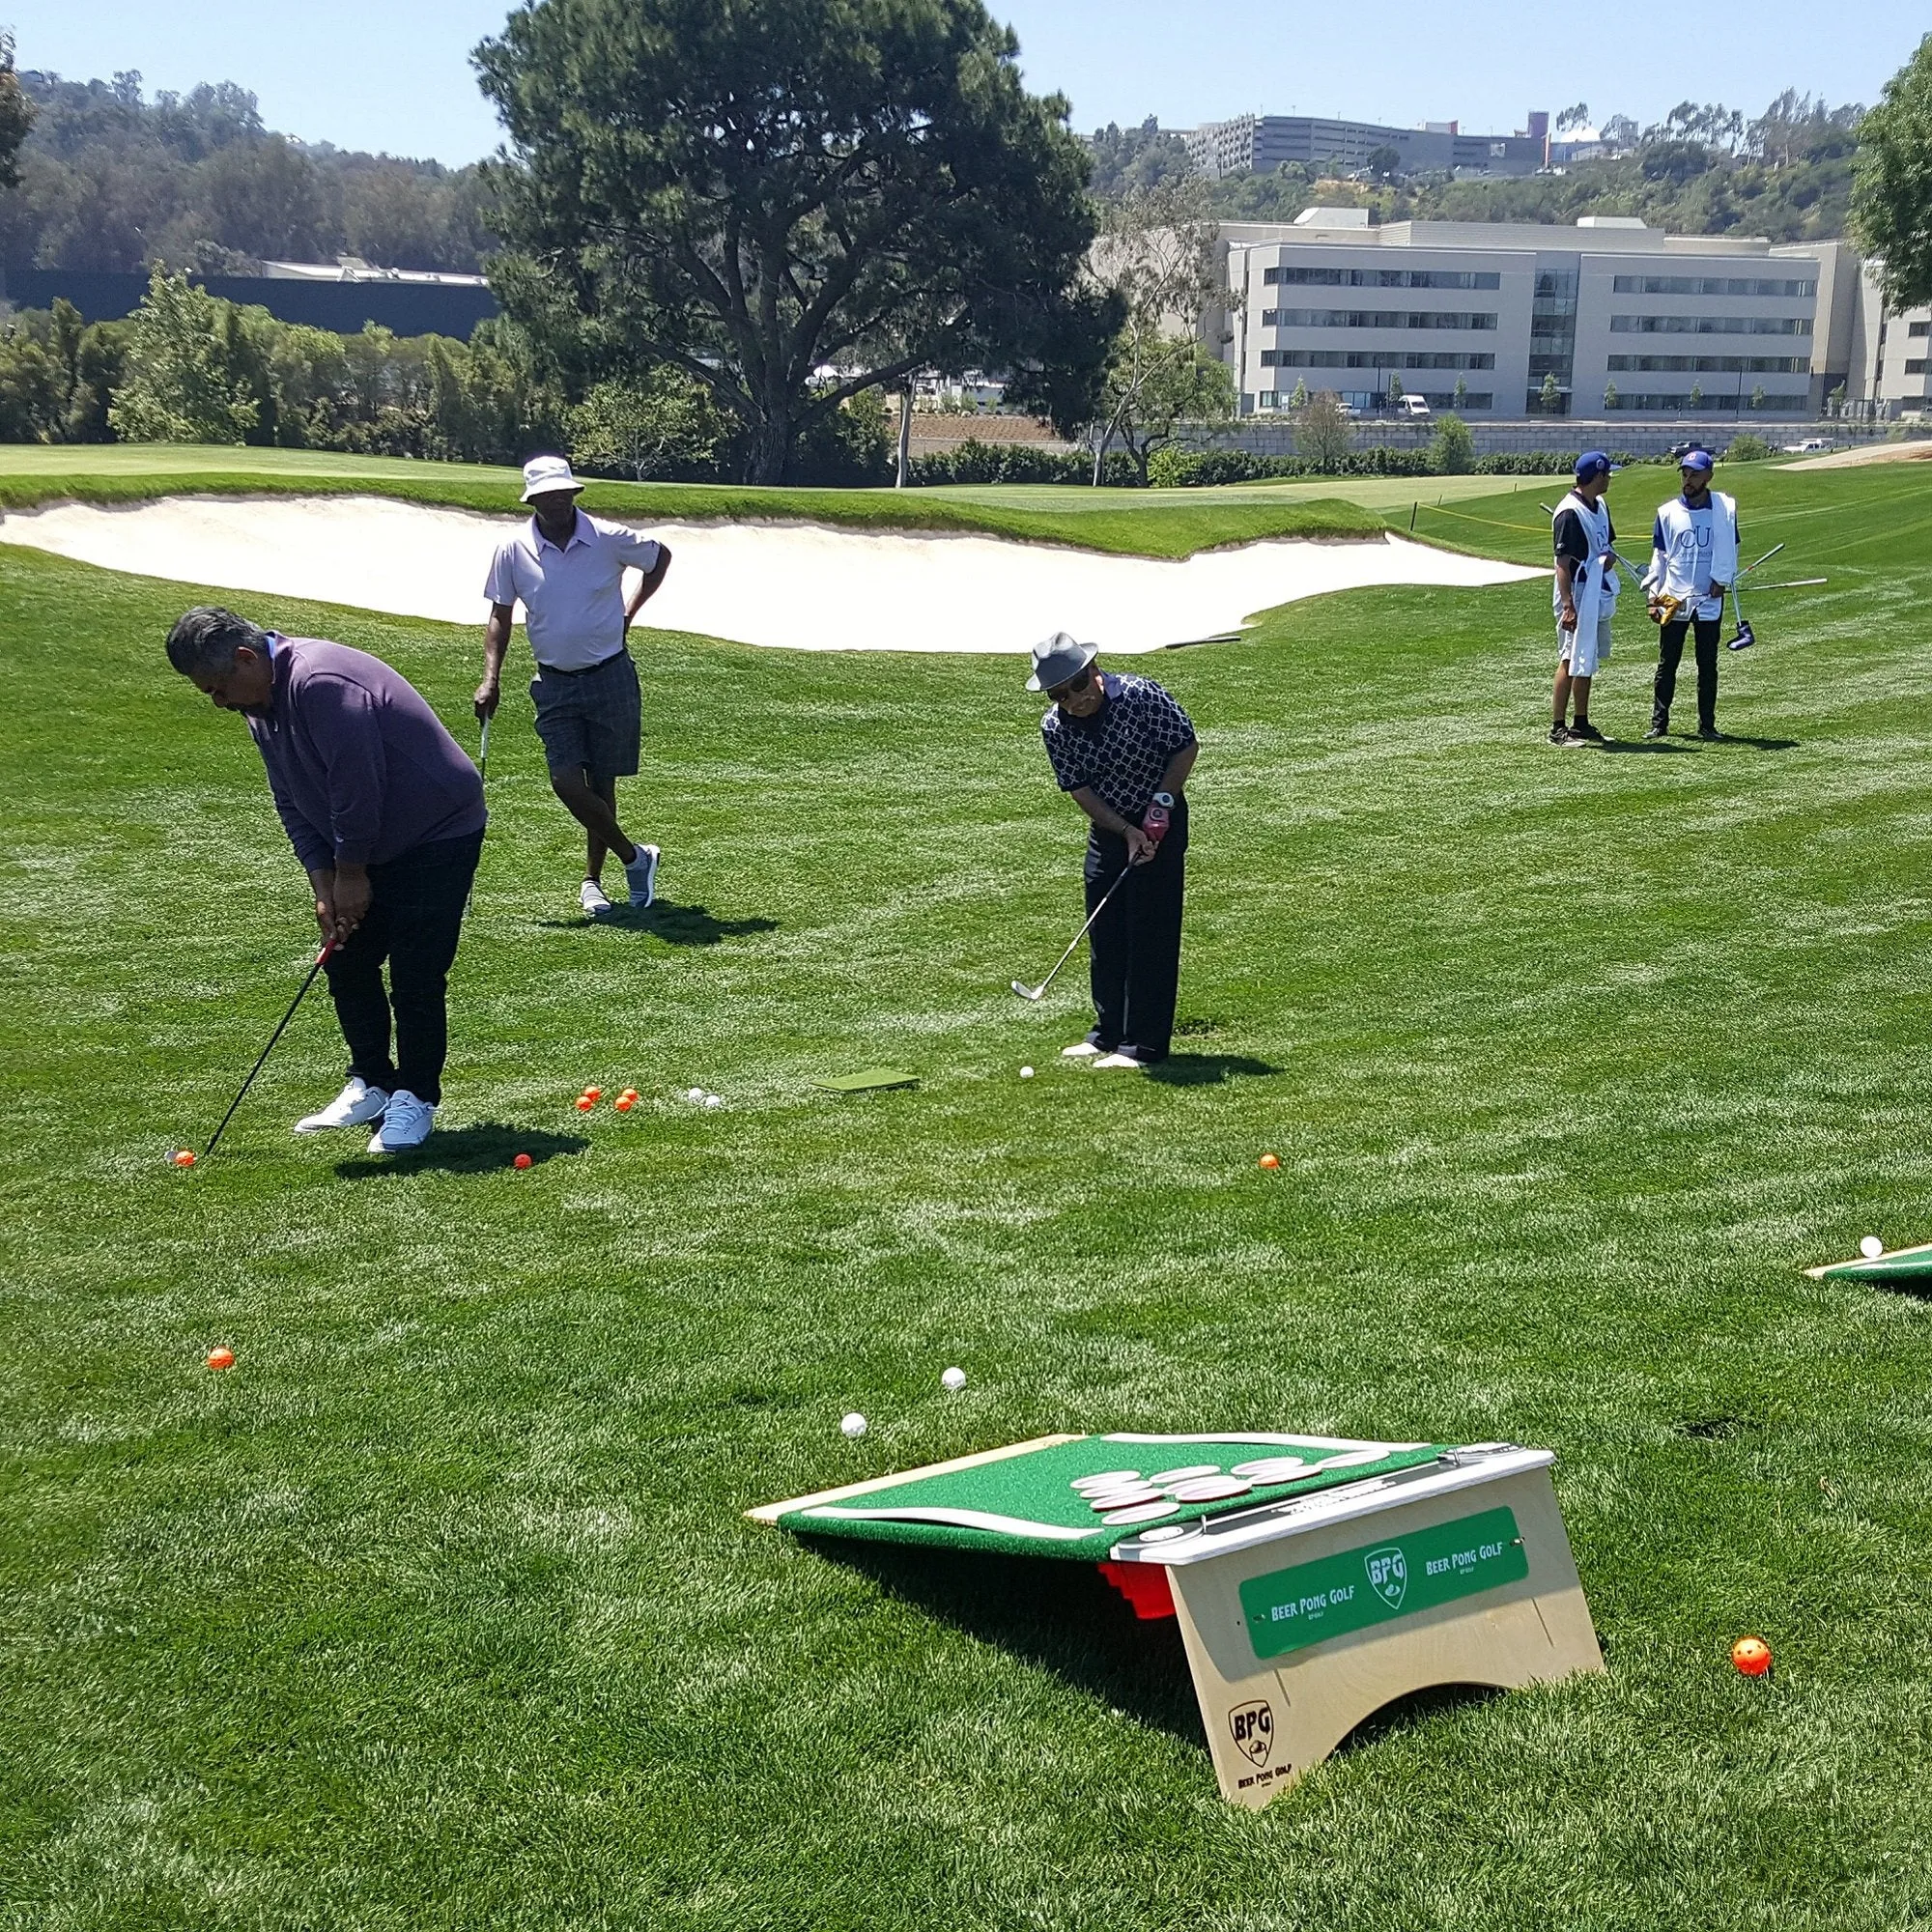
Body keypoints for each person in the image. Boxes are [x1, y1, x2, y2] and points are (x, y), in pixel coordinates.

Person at [165, 607, 486, 1153]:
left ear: (246, 659)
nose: (219, 702)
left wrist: (352, 874)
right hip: (369, 841)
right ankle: (373, 1082)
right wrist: (324, 885)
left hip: (438, 831)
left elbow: (358, 790)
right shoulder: (260, 703)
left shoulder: (320, 683)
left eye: (218, 688)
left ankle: (416, 1096)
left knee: (416, 970)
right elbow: (292, 799)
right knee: (346, 955)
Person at [476, 454, 673, 917]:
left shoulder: (606, 537)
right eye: (547, 496)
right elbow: (499, 616)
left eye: (564, 493)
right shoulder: (512, 552)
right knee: (566, 780)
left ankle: (592, 883)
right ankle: (636, 857)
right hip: (555, 682)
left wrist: (630, 611)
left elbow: (660, 557)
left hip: (610, 674)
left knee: (602, 783)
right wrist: (491, 678)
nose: (558, 502)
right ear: (533, 501)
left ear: (573, 493)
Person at [1032, 633, 1198, 1070]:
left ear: (1095, 673)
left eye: (1077, 687)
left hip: (1159, 820)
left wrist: (1159, 809)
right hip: (1111, 829)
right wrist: (1124, 830)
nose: (1071, 701)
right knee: (1105, 930)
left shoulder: (1142, 696)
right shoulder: (1054, 726)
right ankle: (1107, 1033)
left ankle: (1143, 1044)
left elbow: (1185, 746)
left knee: (1150, 931)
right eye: (1058, 694)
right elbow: (1079, 789)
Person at [1643, 447, 1738, 741]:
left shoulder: (1723, 510)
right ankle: (1659, 723)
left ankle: (1707, 725)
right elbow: (1659, 556)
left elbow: (1732, 548)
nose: (1688, 479)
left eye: (1695, 475)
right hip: (1673, 598)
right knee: (1667, 663)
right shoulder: (1667, 512)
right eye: (1685, 474)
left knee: (1707, 664)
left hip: (1708, 599)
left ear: (1708, 476)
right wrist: (1653, 594)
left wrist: (1721, 579)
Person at [1549, 451, 1622, 747]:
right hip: (1577, 593)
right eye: (1607, 474)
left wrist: (1608, 561)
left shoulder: (1600, 505)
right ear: (1597, 475)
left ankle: (1581, 722)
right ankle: (1557, 727)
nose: (1610, 479)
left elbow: (1605, 545)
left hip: (1595, 589)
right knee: (1569, 657)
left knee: (1587, 657)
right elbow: (1562, 563)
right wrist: (1568, 606)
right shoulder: (1569, 512)